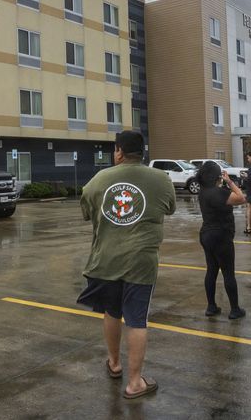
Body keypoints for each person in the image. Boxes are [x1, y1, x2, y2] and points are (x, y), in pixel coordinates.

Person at [77, 131, 176, 399]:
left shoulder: (99, 180)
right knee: (136, 319)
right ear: (141, 152)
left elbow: (86, 210)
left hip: (106, 260)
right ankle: (135, 383)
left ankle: (115, 364)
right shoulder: (161, 179)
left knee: (111, 312)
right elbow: (169, 209)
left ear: (119, 151)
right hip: (141, 263)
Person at [197, 162, 248, 319]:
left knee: (211, 270)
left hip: (206, 235)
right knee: (228, 273)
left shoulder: (203, 192)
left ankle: (211, 306)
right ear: (216, 176)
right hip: (221, 235)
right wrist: (230, 182)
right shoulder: (219, 193)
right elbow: (242, 198)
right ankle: (234, 309)